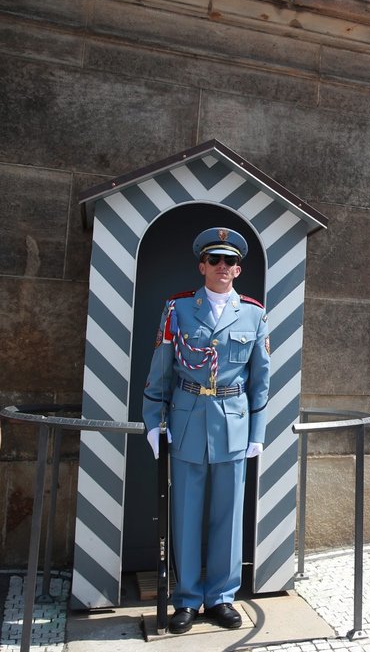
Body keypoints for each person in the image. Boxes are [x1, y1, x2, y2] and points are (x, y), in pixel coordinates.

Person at [143, 227, 271, 635]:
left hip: (233, 423)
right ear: (202, 265)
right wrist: (153, 421)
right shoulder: (178, 309)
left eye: (230, 261)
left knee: (228, 517)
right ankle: (186, 599)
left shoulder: (253, 312)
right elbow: (160, 370)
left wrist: (258, 430)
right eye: (214, 259)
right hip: (186, 421)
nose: (223, 267)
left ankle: (221, 597)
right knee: (186, 515)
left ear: (239, 269)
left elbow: (260, 380)